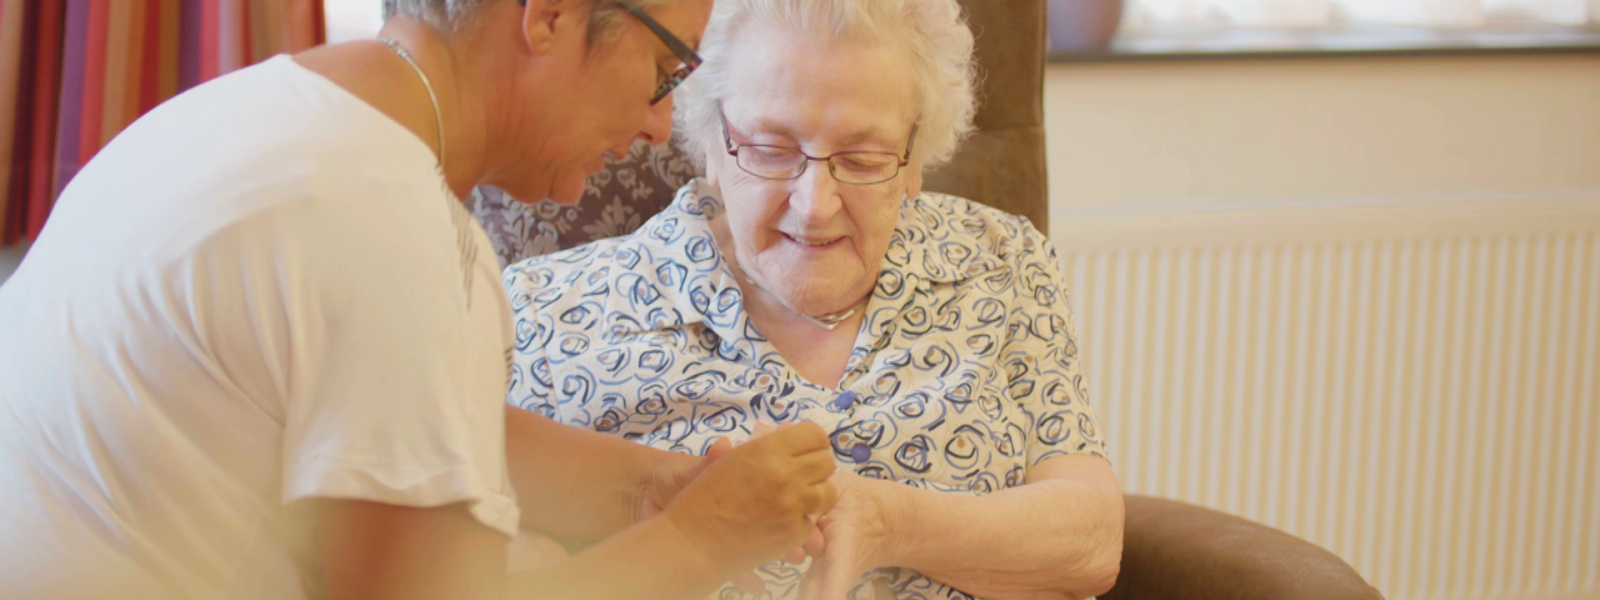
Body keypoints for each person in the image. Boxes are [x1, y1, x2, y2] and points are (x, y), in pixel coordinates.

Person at [0, 0, 839, 598]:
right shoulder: (391, 223)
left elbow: (401, 428)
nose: (661, 127)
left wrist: (655, 487)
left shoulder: (267, 112)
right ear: (547, 16)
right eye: (667, 69)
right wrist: (701, 541)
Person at [502, 0, 1125, 598]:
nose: (814, 204)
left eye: (862, 158)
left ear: (916, 158)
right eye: (772, 151)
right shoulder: (543, 310)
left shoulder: (1000, 260)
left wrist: (889, 520)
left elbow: (1092, 539)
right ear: (712, 141)